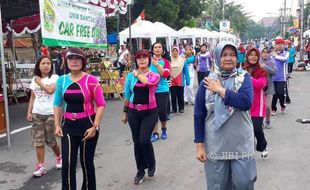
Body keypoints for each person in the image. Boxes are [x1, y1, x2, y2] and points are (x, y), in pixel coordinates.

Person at [194, 41, 256, 190]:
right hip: (215, 144)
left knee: (244, 183)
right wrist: (199, 146)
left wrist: (220, 90)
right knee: (218, 186)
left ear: (238, 58)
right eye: (224, 55)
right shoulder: (206, 83)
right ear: (216, 57)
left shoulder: (244, 78)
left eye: (233, 55)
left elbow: (245, 102)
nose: (229, 58)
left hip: (241, 143)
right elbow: (199, 115)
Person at [53, 48, 106, 190]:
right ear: (66, 61)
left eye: (78, 58)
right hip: (68, 127)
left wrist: (95, 126)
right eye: (71, 58)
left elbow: (101, 105)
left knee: (86, 163)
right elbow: (57, 104)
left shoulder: (91, 80)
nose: (74, 61)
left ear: (83, 61)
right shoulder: (61, 81)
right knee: (68, 164)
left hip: (88, 126)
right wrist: (57, 125)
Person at [122, 49, 160, 185]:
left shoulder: (154, 75)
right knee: (137, 142)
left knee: (144, 140)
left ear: (149, 59)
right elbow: (127, 95)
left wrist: (137, 73)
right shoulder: (130, 76)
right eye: (139, 58)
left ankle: (151, 163)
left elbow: (147, 83)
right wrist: (125, 112)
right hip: (133, 112)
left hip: (150, 112)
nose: (142, 60)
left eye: (144, 57)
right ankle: (140, 170)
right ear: (136, 60)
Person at [27, 56, 62, 178]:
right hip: (37, 114)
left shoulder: (55, 77)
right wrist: (29, 112)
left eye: (48, 63)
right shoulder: (35, 79)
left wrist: (39, 82)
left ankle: (59, 157)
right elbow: (32, 96)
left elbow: (50, 90)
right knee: (39, 141)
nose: (46, 65)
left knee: (51, 140)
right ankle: (41, 166)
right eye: (43, 63)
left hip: (51, 114)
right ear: (38, 65)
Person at [243, 47, 269, 158]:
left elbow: (260, 85)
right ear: (247, 56)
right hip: (245, 103)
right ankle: (247, 150)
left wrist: (248, 77)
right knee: (245, 129)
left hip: (258, 104)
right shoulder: (242, 69)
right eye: (251, 54)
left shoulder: (262, 70)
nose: (253, 56)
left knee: (256, 127)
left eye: (255, 55)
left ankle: (263, 146)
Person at [149, 42, 171, 142]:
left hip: (162, 90)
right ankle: (155, 133)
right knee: (152, 113)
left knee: (162, 111)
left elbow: (165, 74)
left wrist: (157, 64)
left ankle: (164, 128)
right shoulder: (148, 61)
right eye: (155, 47)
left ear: (163, 50)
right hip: (150, 90)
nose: (157, 49)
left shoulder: (166, 62)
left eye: (159, 47)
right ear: (152, 50)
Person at [271, 38, 289, 115]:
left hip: (282, 77)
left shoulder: (286, 53)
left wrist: (276, 56)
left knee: (280, 93)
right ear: (275, 45)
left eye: (281, 44)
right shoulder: (272, 54)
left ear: (283, 45)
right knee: (274, 94)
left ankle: (282, 105)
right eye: (278, 44)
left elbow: (284, 59)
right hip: (273, 77)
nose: (280, 46)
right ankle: (273, 109)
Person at [260, 47, 277, 129]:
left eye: (267, 52)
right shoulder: (257, 61)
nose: (265, 53)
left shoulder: (271, 62)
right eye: (263, 52)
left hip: (269, 87)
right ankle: (261, 121)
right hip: (259, 88)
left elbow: (275, 72)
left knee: (267, 106)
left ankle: (268, 120)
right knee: (261, 106)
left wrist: (265, 67)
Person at [170, 47, 190, 113]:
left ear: (178, 52)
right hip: (172, 80)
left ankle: (181, 108)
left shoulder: (183, 60)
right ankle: (174, 108)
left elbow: (186, 71)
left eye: (176, 51)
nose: (174, 52)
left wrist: (188, 80)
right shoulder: (169, 60)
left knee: (180, 95)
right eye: (173, 51)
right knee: (173, 96)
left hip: (180, 81)